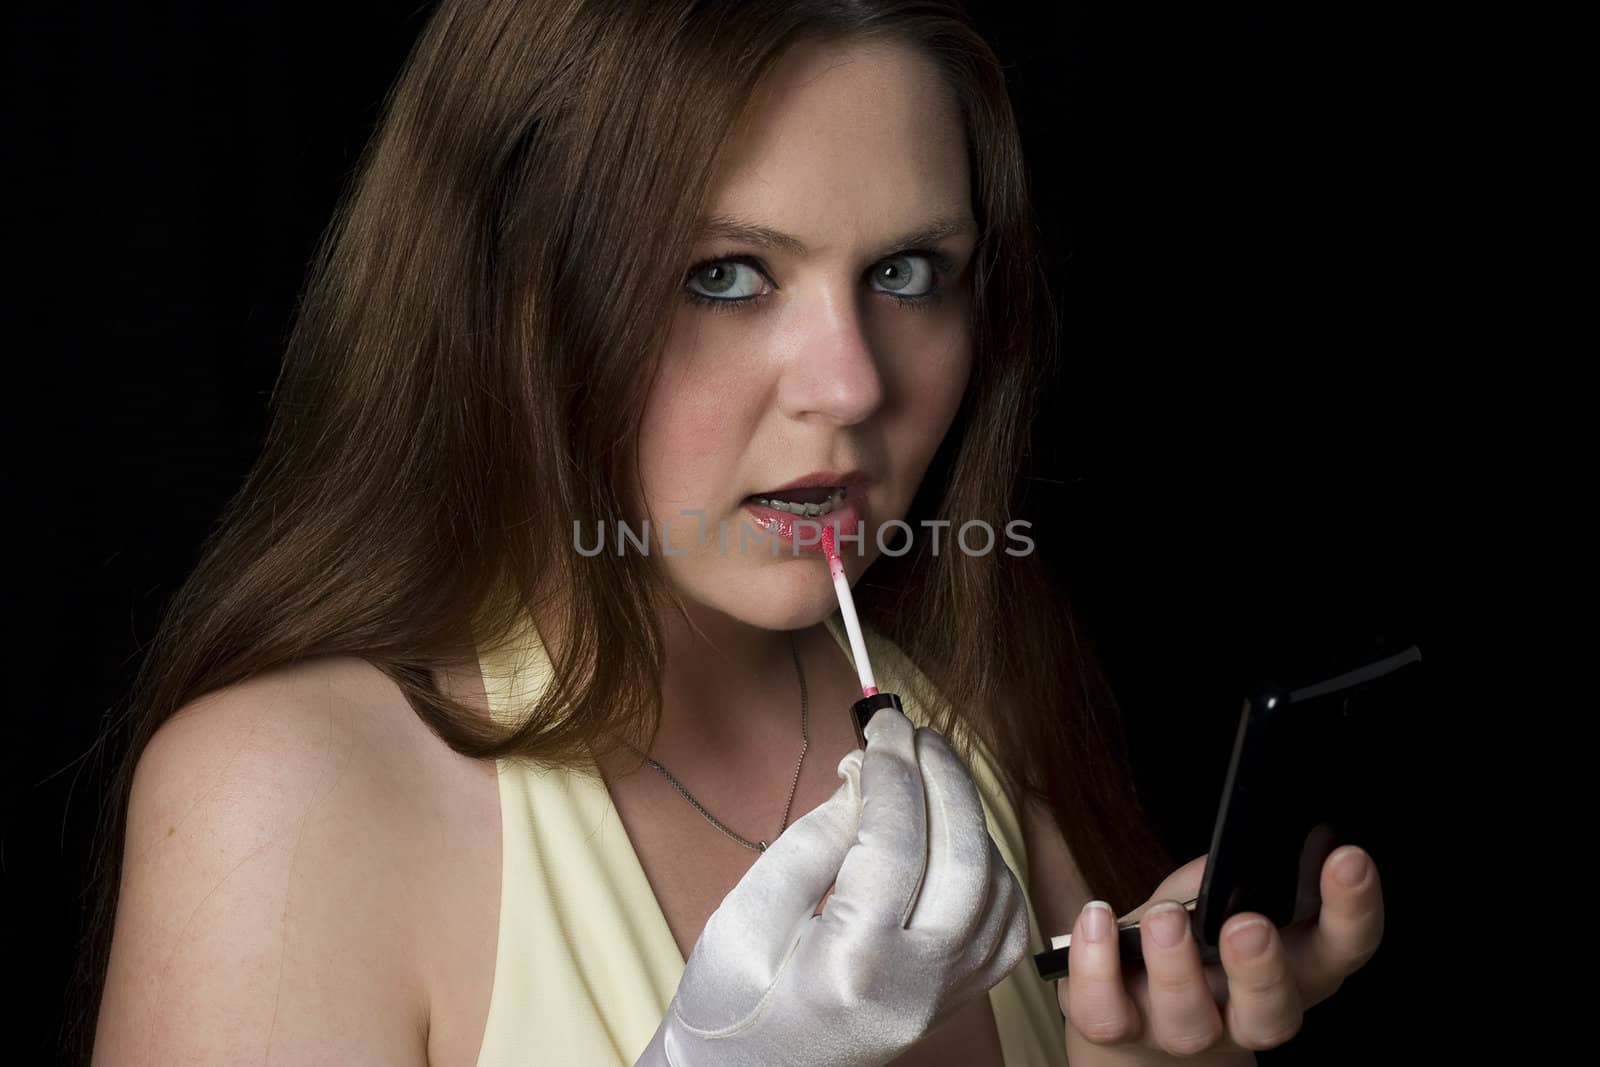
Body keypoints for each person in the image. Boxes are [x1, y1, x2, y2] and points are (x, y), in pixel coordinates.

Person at [76, 2, 1386, 1065]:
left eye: (906, 273)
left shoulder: (977, 723)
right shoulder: (288, 797)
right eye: (725, 274)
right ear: (513, 305)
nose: (854, 384)